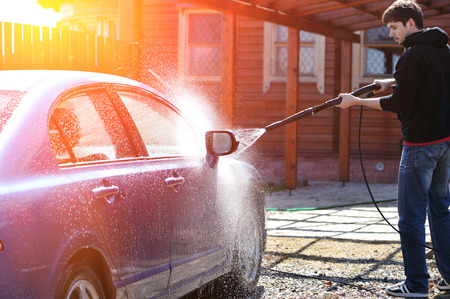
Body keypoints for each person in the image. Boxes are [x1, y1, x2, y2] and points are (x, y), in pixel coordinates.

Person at [337, 0, 450, 297]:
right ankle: (449, 278)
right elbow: (426, 83)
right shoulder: (443, 49)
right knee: (440, 211)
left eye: (393, 27)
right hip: (445, 142)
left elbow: (400, 103)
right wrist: (393, 82)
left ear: (410, 23)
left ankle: (415, 285)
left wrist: (356, 102)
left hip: (419, 147)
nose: (390, 34)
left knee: (411, 216)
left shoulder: (411, 56)